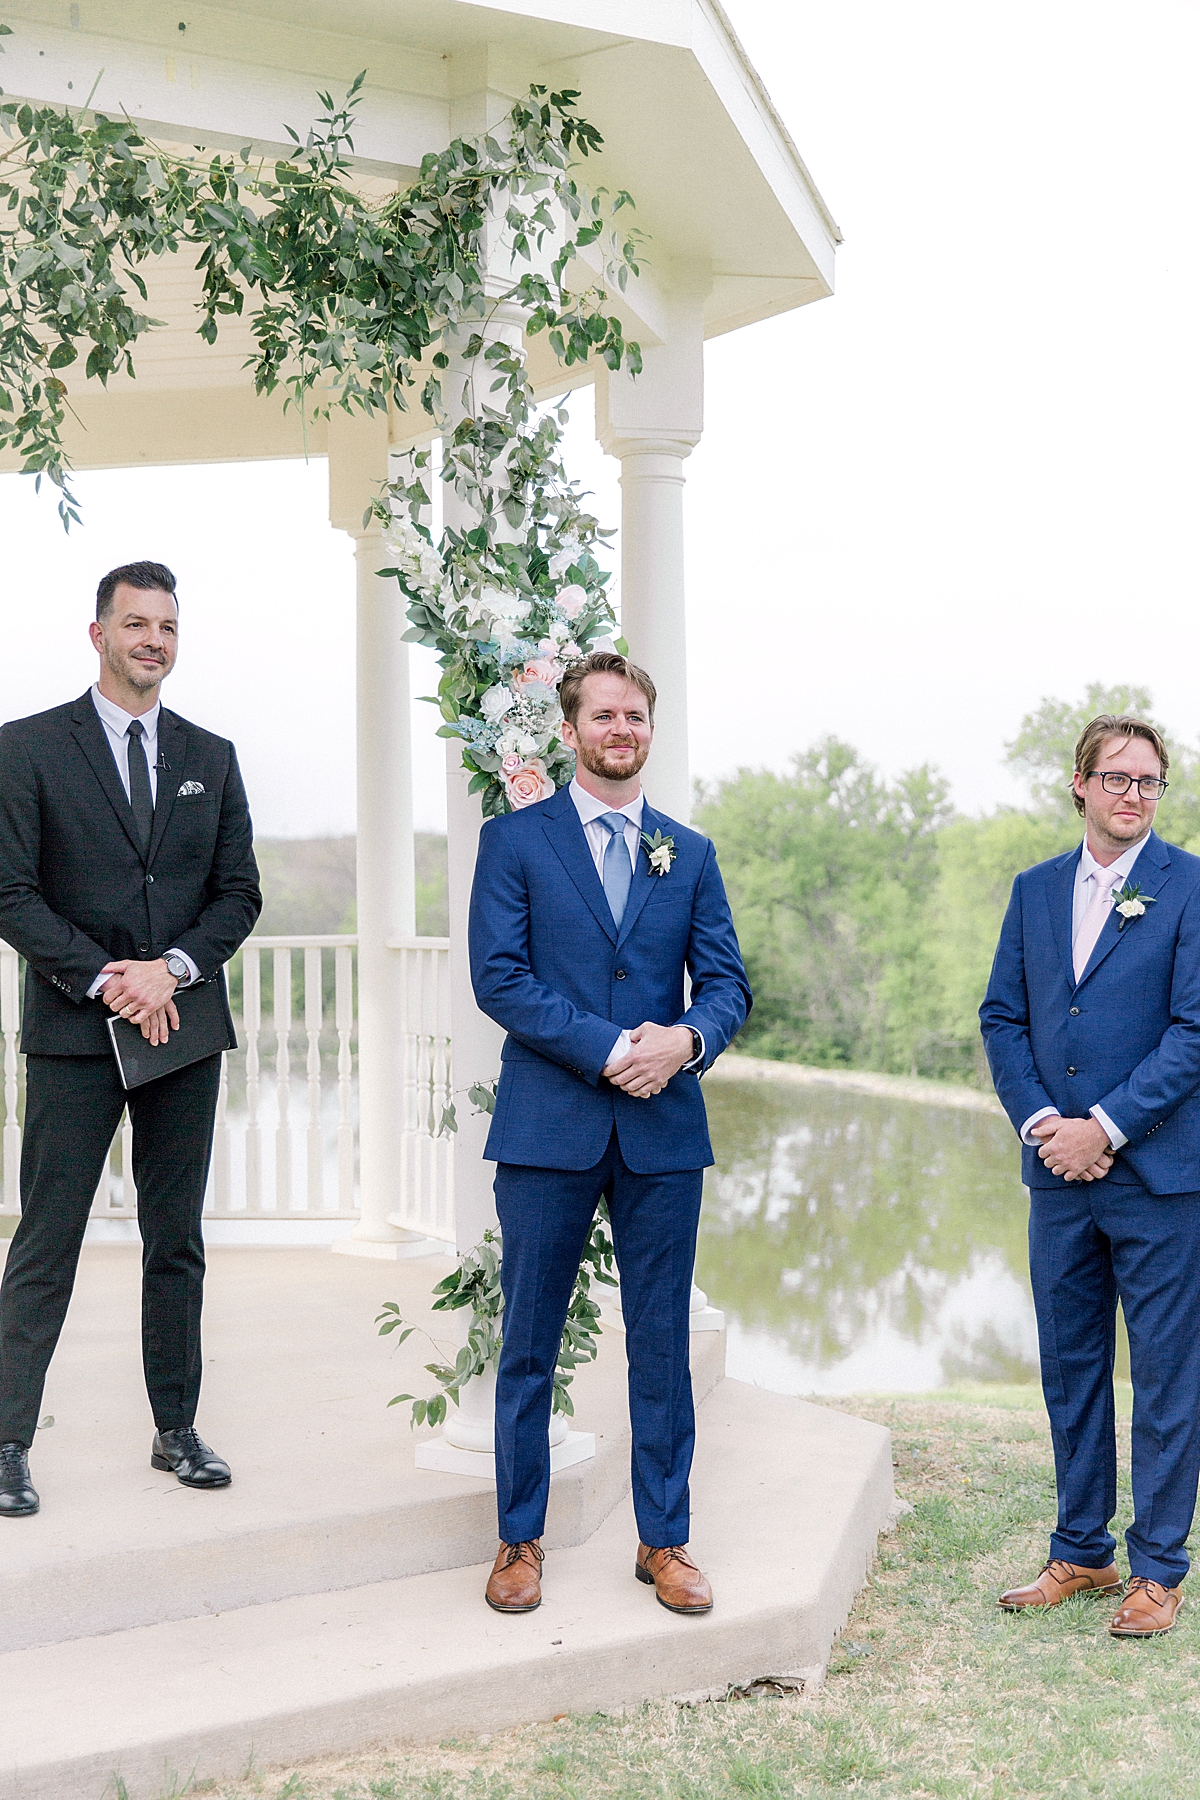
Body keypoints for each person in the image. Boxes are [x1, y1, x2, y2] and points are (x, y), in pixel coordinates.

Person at [467, 651, 751, 1616]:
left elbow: (727, 987)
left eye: (635, 716)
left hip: (664, 1135)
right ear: (569, 730)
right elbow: (499, 979)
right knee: (530, 1343)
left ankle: (664, 1542)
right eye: (603, 716)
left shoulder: (691, 852)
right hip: (549, 1128)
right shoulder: (514, 843)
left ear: (649, 730)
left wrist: (686, 1039)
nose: (620, 730)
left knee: (662, 1343)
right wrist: (611, 1047)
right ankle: (518, 1539)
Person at [0, 561, 261, 1517]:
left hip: (183, 1033)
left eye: (168, 627)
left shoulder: (212, 754)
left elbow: (239, 893)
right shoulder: (24, 749)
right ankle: (6, 1440)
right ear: (99, 632)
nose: (154, 639)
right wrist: (115, 979)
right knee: (46, 1238)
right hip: (75, 1033)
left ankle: (178, 1428)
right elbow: (10, 893)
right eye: (137, 623)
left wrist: (173, 972)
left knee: (176, 1238)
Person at [980, 712, 1200, 1638]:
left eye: (1149, 782)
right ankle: (1081, 1550)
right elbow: (1003, 1019)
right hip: (1055, 1178)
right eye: (1118, 778)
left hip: (1157, 1179)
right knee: (1071, 1367)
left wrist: (1103, 1127)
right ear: (1080, 784)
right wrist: (1045, 1126)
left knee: (1163, 1373)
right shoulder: (1034, 892)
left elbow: (1194, 1031)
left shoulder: (1189, 887)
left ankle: (1158, 1568)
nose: (1134, 795)